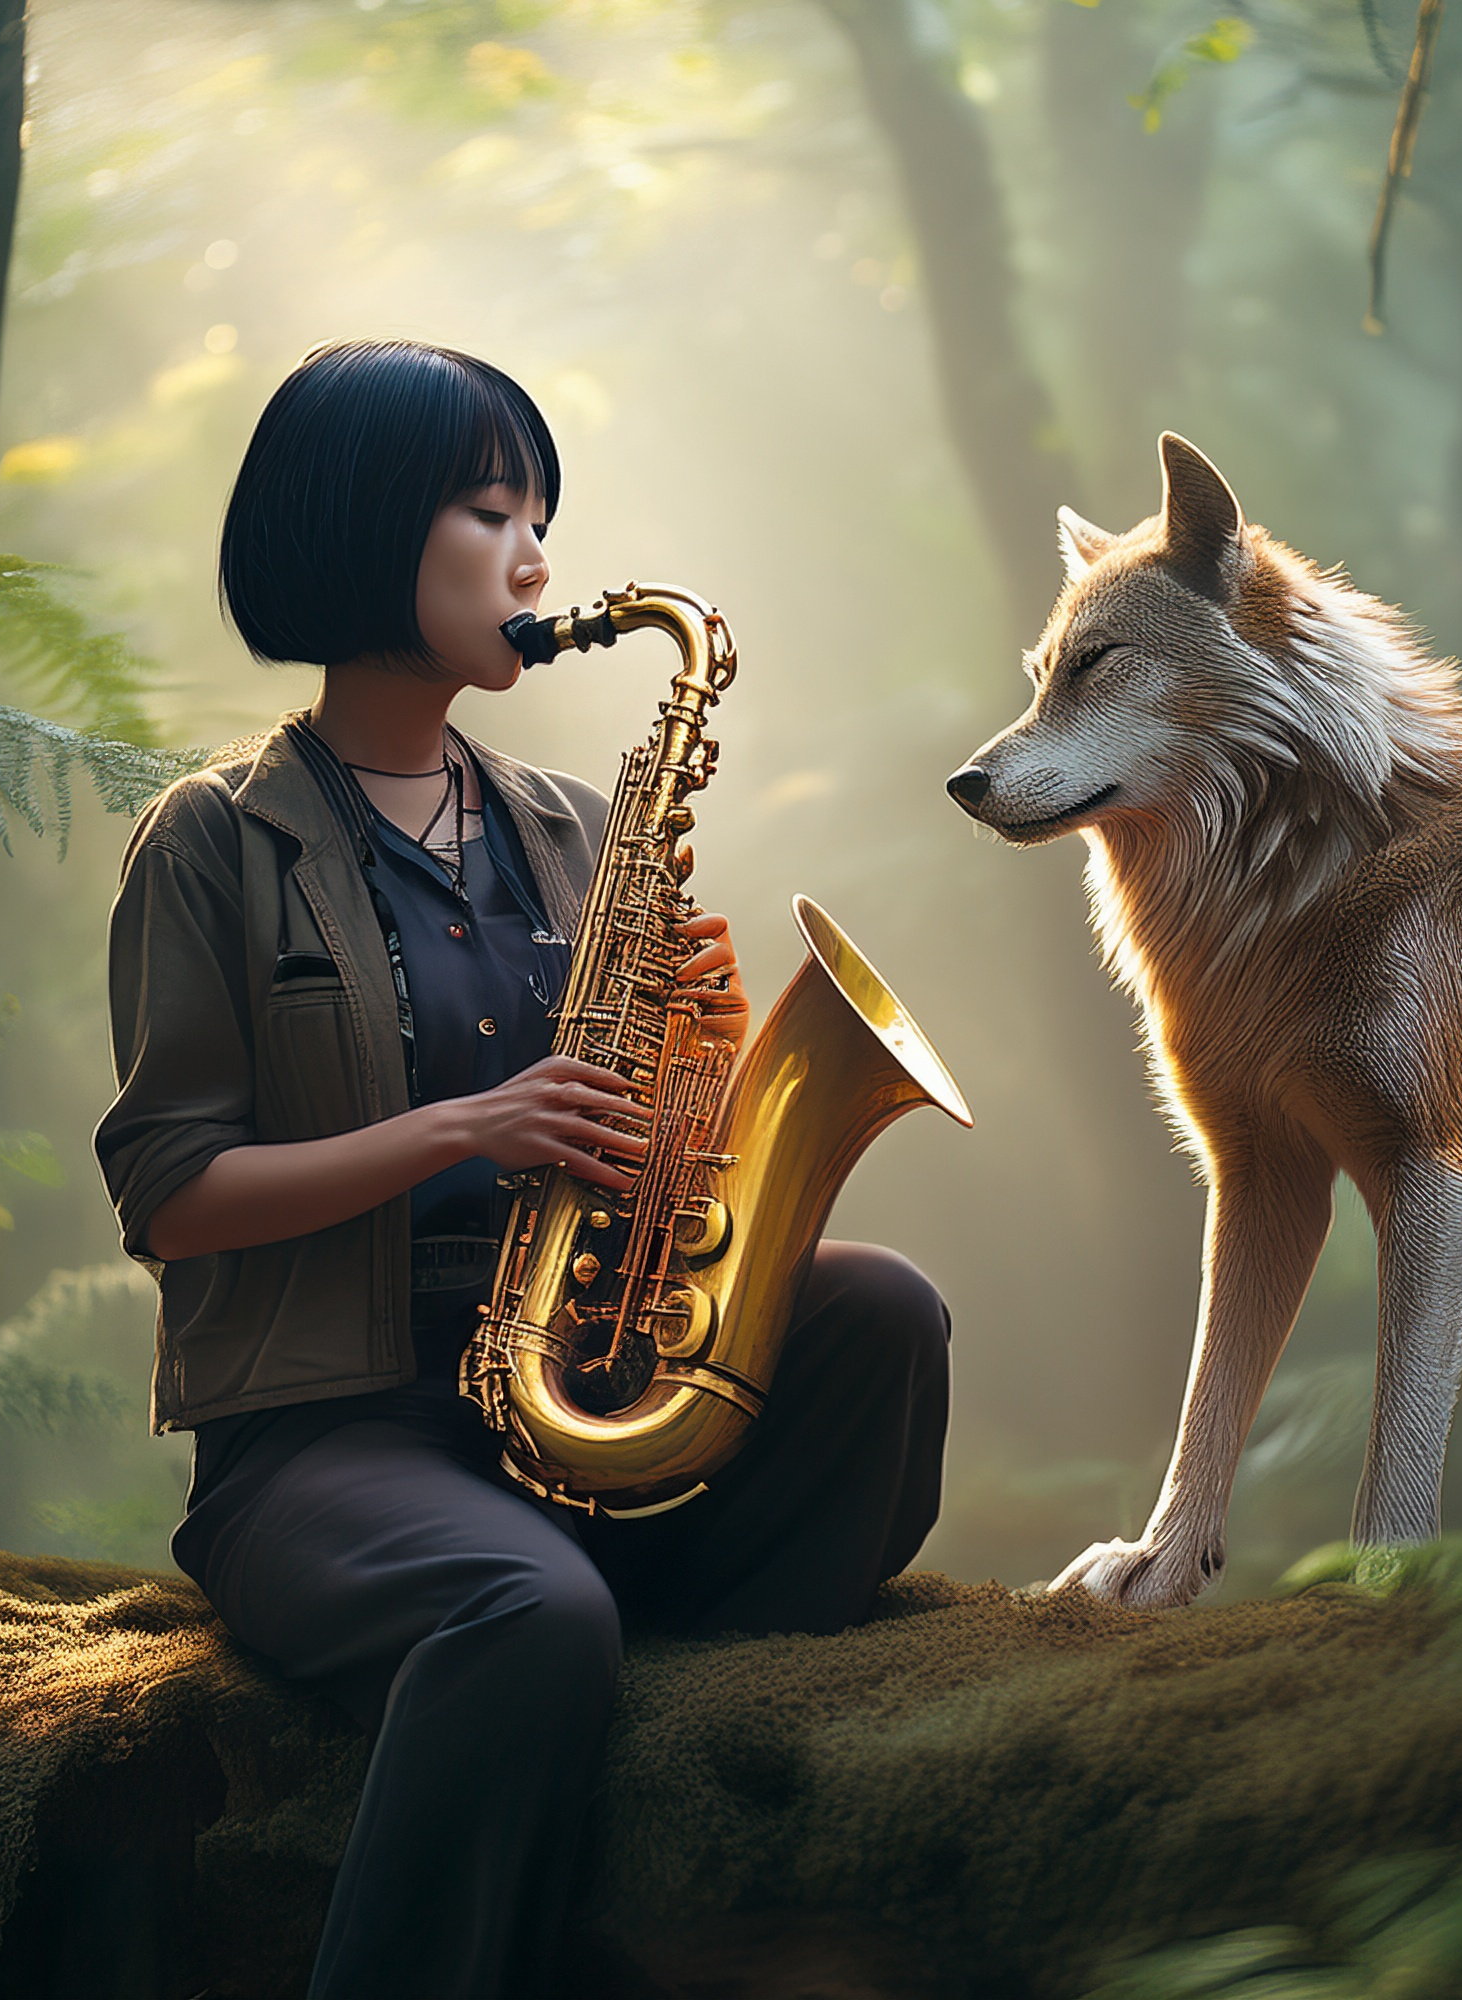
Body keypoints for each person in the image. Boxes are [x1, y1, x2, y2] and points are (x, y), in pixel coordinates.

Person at [92, 338, 952, 2000]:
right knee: (528, 1618)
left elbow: (625, 1146)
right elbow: (173, 1195)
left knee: (883, 1317)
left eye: (541, 516)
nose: (540, 560)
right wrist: (464, 1132)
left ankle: (638, 1663)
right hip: (328, 1438)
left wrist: (693, 1082)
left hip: (568, 1386)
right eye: (494, 514)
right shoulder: (209, 838)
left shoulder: (568, 825)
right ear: (360, 528)